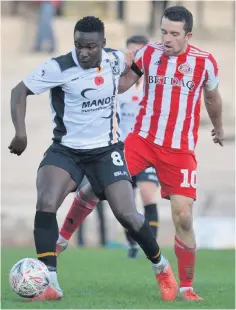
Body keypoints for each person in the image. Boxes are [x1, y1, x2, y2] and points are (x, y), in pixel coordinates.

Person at [56, 6, 224, 301]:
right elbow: (121, 85)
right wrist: (100, 79)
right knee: (95, 186)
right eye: (163, 32)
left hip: (180, 148)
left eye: (174, 33)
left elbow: (212, 98)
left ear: (188, 34)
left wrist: (219, 128)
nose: (167, 39)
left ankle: (185, 286)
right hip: (141, 141)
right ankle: (61, 239)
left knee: (183, 215)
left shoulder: (204, 63)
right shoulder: (149, 53)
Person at [9, 16, 178, 302]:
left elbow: (126, 76)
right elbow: (19, 91)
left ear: (103, 44)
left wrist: (153, 53)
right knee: (46, 200)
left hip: (106, 151)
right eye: (78, 46)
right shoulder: (58, 66)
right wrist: (20, 134)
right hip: (67, 150)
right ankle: (50, 281)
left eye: (90, 46)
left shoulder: (114, 60)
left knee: (126, 214)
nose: (83, 52)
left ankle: (161, 268)